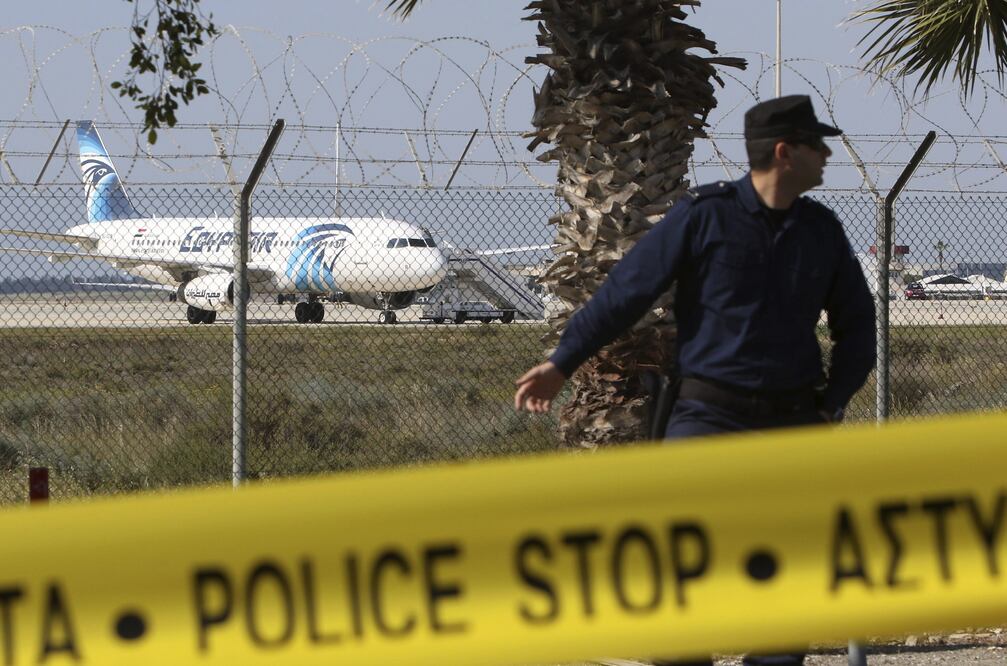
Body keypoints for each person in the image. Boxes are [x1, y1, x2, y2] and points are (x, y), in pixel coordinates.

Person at [513, 95, 876, 666]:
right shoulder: (705, 216)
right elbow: (625, 293)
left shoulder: (821, 231)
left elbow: (858, 325)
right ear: (785, 153)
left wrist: (831, 406)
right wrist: (563, 362)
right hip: (709, 416)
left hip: (792, 421)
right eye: (816, 144)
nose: (827, 155)